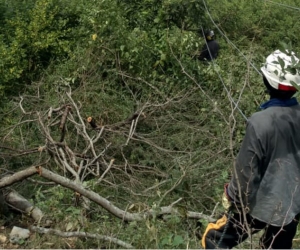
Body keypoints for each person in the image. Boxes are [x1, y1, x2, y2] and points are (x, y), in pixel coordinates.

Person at [201, 50, 300, 249]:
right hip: (291, 208)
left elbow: (246, 174)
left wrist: (232, 196)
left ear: (266, 81)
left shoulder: (260, 122)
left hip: (259, 206)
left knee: (211, 239)